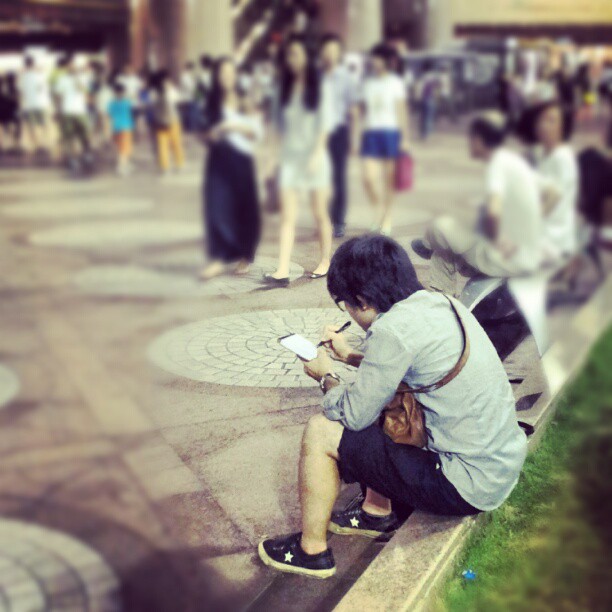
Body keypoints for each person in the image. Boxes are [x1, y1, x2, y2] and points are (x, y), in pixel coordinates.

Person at [257, 235, 527, 578]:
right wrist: (350, 355)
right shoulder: (440, 303)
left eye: (345, 305)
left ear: (361, 300)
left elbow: (354, 414)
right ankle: (375, 512)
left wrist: (325, 375)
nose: (348, 313)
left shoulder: (392, 330)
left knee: (321, 431)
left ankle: (311, 551)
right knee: (384, 400)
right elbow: (397, 369)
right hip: (499, 465)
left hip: (465, 485)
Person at [412, 112, 544, 296]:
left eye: (471, 139)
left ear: (479, 140)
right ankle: (430, 249)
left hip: (507, 257)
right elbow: (551, 195)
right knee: (454, 234)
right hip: (528, 253)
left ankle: (441, 292)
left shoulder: (498, 165)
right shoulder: (512, 162)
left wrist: (499, 239)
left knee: (440, 228)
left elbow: (494, 212)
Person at [263, 35, 334, 287]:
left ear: (306, 56)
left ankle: (325, 260)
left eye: (296, 54)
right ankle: (282, 269)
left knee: (319, 213)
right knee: (287, 216)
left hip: (315, 159)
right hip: (290, 159)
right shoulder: (282, 89)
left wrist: (316, 154)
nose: (292, 59)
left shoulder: (320, 87)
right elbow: (275, 128)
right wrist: (271, 158)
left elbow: (324, 126)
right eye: (289, 55)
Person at [199, 57, 262, 280]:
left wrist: (232, 126)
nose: (226, 77)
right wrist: (211, 134)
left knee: (244, 210)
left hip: (241, 160)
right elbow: (204, 133)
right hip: (218, 160)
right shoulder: (211, 103)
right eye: (222, 73)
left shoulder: (245, 101)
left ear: (236, 75)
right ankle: (217, 258)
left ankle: (245, 254)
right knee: (216, 207)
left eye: (230, 72)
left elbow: (256, 133)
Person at [357, 44, 410, 235]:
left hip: (390, 132)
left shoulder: (396, 83)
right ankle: (379, 208)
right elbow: (362, 110)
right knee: (368, 178)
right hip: (370, 132)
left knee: (389, 180)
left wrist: (404, 138)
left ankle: (387, 217)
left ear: (387, 60)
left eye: (378, 57)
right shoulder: (368, 83)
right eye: (373, 57)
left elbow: (401, 111)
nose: (374, 61)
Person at [520, 101, 578, 263]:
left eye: (551, 121)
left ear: (563, 128)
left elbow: (551, 201)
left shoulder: (561, 158)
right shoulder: (544, 154)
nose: (543, 125)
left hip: (552, 239)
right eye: (541, 119)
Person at [320, 33, 358, 239]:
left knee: (339, 178)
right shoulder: (316, 77)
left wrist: (354, 137)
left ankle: (339, 220)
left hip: (339, 132)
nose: (330, 54)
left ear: (339, 53)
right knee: (321, 178)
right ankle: (324, 217)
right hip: (319, 134)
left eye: (334, 50)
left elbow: (353, 109)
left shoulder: (346, 77)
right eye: (327, 50)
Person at [54, 58, 93, 170]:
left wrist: (76, 78)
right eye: (69, 66)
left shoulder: (83, 77)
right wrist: (58, 111)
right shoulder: (61, 79)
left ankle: (87, 153)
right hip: (67, 111)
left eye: (73, 66)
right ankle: (73, 158)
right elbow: (58, 96)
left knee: (85, 134)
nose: (71, 68)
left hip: (80, 110)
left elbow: (83, 90)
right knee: (69, 136)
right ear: (66, 67)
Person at [150, 70, 185, 174]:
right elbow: (179, 101)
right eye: (168, 79)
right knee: (176, 143)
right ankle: (179, 164)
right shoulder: (171, 91)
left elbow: (152, 105)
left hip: (159, 121)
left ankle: (165, 167)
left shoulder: (153, 93)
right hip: (173, 120)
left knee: (163, 145)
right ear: (164, 80)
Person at [18, 55, 50, 152]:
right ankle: (45, 144)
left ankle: (37, 145)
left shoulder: (22, 77)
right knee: (44, 125)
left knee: (32, 126)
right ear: (33, 63)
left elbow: (21, 92)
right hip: (41, 103)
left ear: (25, 64)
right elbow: (43, 88)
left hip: (28, 105)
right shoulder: (40, 75)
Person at [107, 82, 134, 176]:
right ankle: (121, 167)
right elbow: (131, 109)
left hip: (115, 128)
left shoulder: (111, 103)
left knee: (120, 149)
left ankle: (126, 165)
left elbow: (109, 116)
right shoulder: (126, 102)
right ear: (123, 92)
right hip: (126, 128)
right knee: (124, 150)